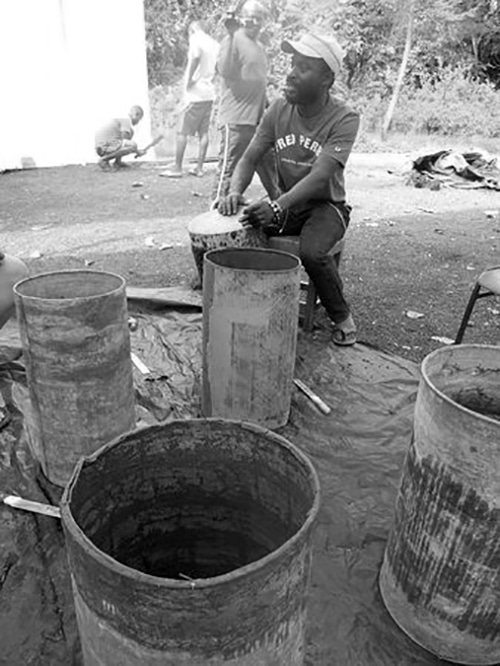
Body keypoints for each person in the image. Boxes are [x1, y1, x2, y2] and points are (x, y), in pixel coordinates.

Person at [219, 33, 360, 346]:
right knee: (246, 227)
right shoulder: (279, 109)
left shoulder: (345, 118)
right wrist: (234, 191)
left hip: (327, 206)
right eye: (293, 63)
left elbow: (322, 176)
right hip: (287, 204)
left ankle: (342, 316)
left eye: (304, 67)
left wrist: (276, 206)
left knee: (313, 251)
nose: (292, 72)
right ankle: (257, 305)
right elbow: (251, 155)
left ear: (326, 78)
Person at [212, 0, 279, 204]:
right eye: (250, 18)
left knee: (269, 167)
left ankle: (282, 208)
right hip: (236, 119)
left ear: (263, 21)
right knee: (229, 169)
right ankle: (214, 212)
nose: (254, 23)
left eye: (258, 19)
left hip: (258, 122)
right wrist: (232, 36)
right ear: (242, 19)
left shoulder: (259, 46)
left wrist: (270, 112)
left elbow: (259, 83)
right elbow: (225, 71)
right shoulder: (232, 39)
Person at [160, 21, 219, 179]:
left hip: (195, 94)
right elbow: (218, 67)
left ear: (192, 30)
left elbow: (196, 57)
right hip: (209, 93)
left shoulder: (196, 39)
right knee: (204, 133)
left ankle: (177, 168)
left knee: (182, 131)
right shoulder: (214, 43)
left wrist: (190, 79)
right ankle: (199, 168)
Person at [95, 105, 145, 170]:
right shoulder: (126, 120)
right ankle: (103, 160)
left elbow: (122, 141)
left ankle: (117, 162)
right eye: (139, 119)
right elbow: (124, 140)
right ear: (136, 114)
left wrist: (136, 151)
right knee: (133, 145)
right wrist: (137, 151)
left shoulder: (121, 121)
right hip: (104, 146)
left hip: (102, 146)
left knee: (130, 134)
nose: (138, 122)